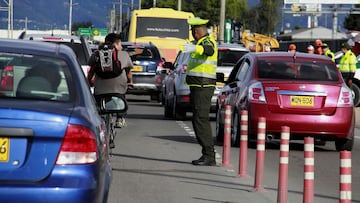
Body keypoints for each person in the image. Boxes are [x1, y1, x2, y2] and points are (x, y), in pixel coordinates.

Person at [182, 17, 217, 166]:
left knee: (201, 120)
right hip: (198, 87)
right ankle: (207, 153)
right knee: (198, 119)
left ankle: (209, 155)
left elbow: (209, 51)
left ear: (196, 32)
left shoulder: (206, 42)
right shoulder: (199, 42)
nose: (192, 34)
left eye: (192, 31)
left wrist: (196, 48)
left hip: (203, 87)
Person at [87, 33, 133, 128]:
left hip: (100, 89)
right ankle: (120, 118)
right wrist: (130, 81)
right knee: (121, 97)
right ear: (115, 44)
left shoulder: (96, 54)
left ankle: (98, 120)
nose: (121, 47)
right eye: (120, 44)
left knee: (98, 106)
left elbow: (91, 70)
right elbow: (128, 72)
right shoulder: (124, 55)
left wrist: (87, 83)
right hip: (118, 89)